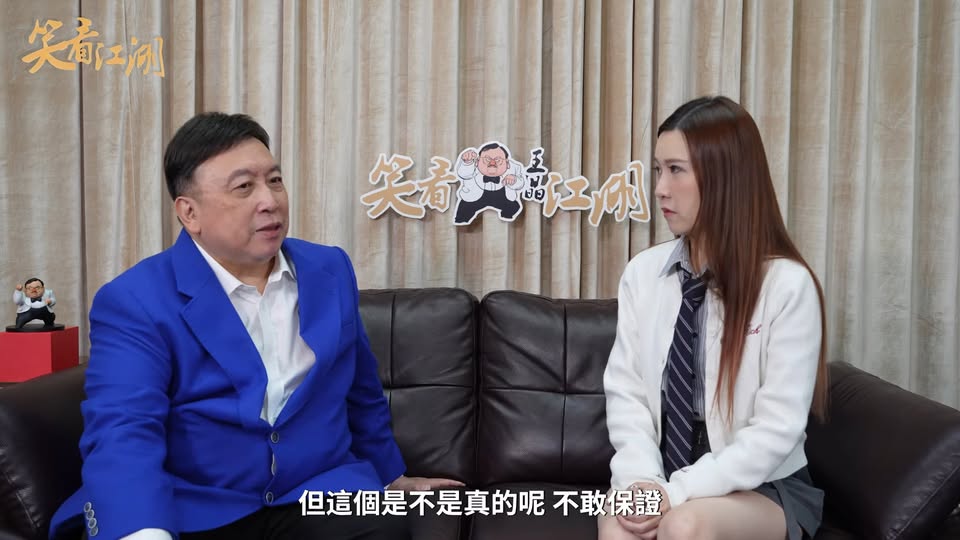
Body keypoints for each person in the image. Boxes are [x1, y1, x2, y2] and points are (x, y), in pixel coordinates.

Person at [49, 112, 461, 540]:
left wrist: (391, 476)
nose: (270, 201)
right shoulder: (135, 300)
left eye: (275, 180)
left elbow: (360, 388)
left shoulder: (329, 269)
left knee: (384, 528)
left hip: (311, 490)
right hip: (196, 503)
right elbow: (123, 429)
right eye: (244, 187)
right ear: (190, 213)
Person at [600, 96, 828, 540]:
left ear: (725, 177)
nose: (660, 189)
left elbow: (776, 429)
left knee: (684, 525)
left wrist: (676, 493)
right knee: (621, 528)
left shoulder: (787, 285)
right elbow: (626, 394)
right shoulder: (642, 273)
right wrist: (643, 481)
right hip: (659, 472)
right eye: (658, 170)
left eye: (676, 170)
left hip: (762, 484)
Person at [453, 142, 526, 224]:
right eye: (487, 159)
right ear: (477, 162)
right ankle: (461, 222)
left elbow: (521, 183)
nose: (492, 163)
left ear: (507, 163)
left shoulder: (514, 168)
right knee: (464, 210)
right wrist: (467, 162)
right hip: (475, 195)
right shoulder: (472, 166)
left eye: (498, 160)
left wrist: (514, 180)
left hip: (502, 196)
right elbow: (464, 174)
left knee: (514, 206)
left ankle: (505, 220)